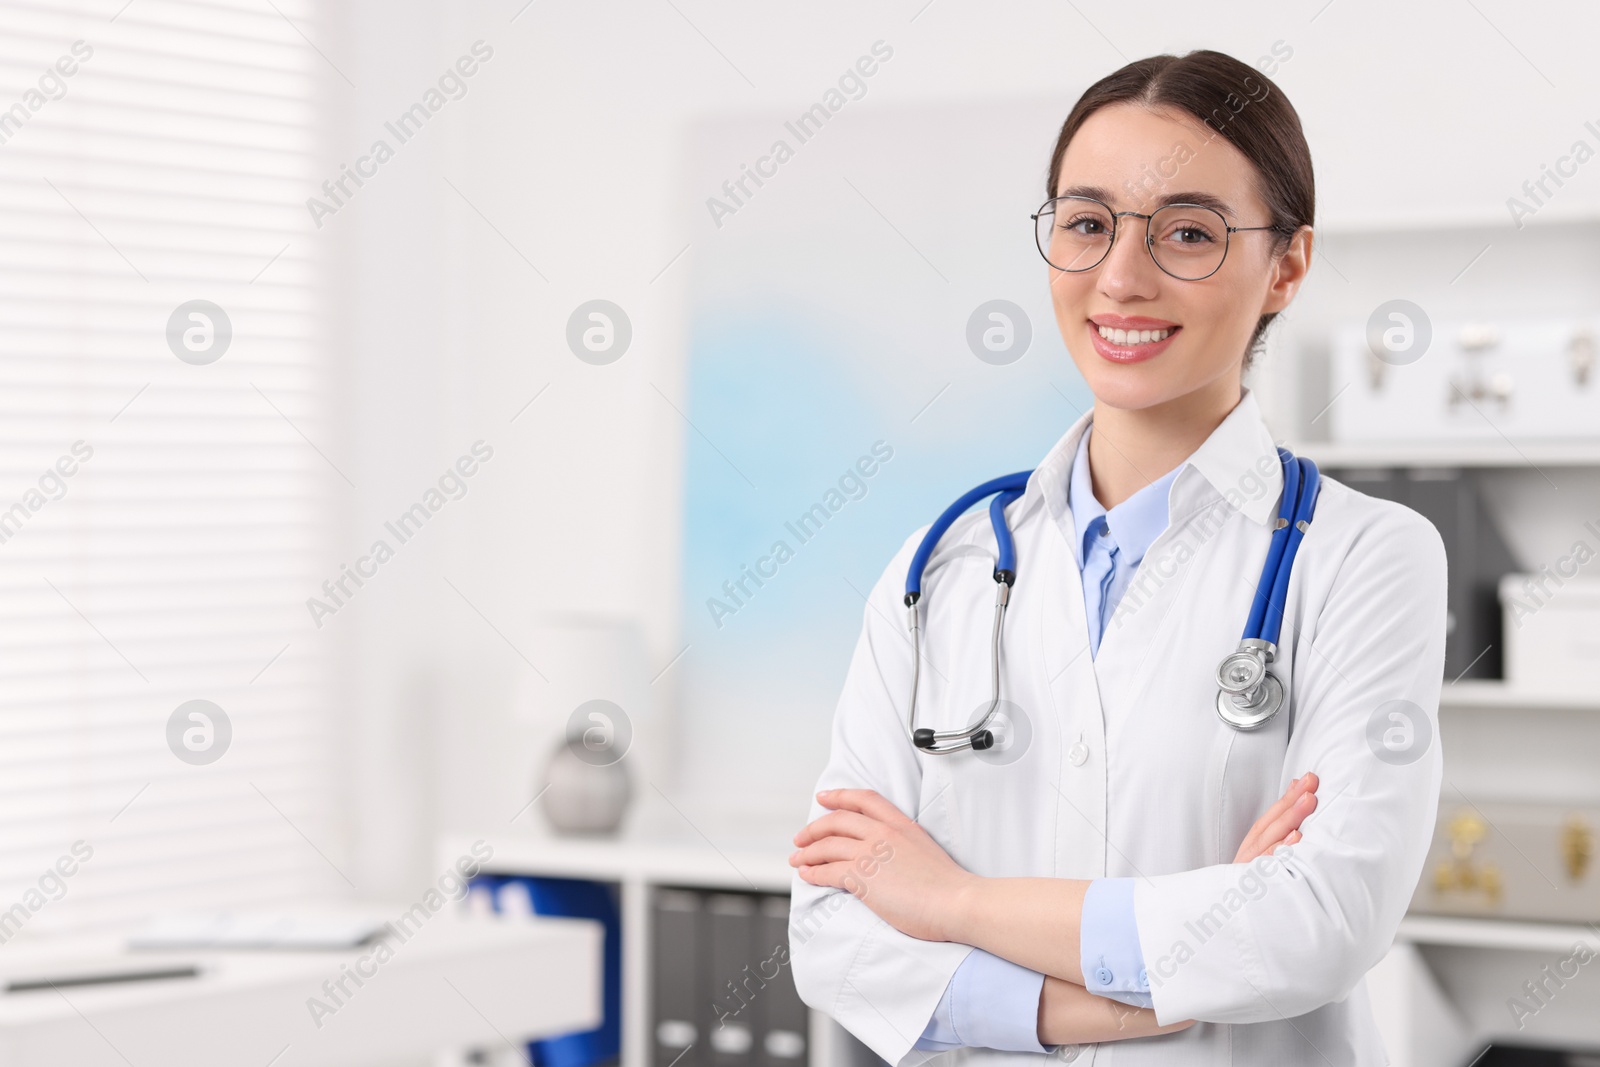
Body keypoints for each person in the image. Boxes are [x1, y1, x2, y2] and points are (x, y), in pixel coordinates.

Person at [786, 49, 1447, 1065]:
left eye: (1188, 231)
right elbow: (832, 934)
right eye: (1087, 224)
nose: (1121, 278)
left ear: (1287, 264)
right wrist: (1136, 993)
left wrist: (944, 898)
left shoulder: (1364, 558)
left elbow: (1320, 919)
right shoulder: (942, 567)